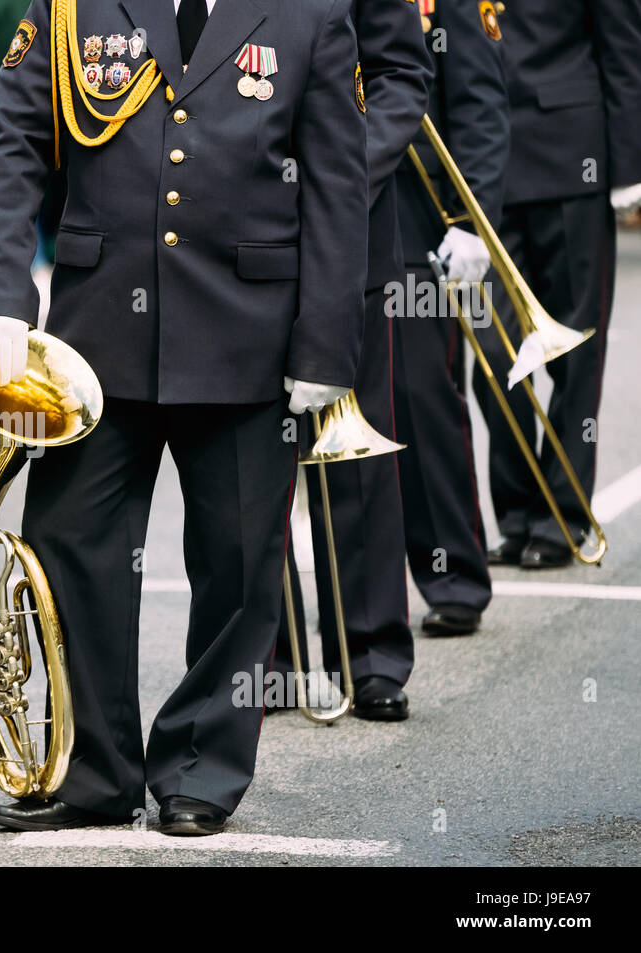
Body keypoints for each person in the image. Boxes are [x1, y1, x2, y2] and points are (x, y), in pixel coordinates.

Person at [0, 0, 368, 834]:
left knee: (238, 565)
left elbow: (336, 183)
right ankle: (94, 770)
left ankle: (200, 767)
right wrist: (0, 300)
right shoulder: (73, 5)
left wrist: (326, 346)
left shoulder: (311, 14)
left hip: (248, 336)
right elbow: (13, 141)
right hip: (98, 336)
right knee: (72, 550)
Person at [272, 0, 432, 721]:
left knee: (357, 455)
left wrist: (338, 172)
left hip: (349, 226)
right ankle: (264, 658)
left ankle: (369, 655)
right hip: (234, 231)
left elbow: (401, 76)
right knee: (242, 457)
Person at [475, 0, 641, 569]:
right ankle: (519, 512)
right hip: (486, 165)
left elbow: (623, 50)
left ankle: (563, 514)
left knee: (574, 351)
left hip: (573, 161)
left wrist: (626, 172)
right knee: (493, 353)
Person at [392, 0, 508, 635]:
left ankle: (454, 574)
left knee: (420, 391)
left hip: (418, 204)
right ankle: (352, 603)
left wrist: (475, 221)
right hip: (313, 193)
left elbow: (478, 99)